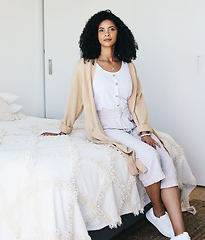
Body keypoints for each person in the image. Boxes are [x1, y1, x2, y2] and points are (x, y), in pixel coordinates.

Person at [42, 9, 190, 240]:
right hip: (106, 127)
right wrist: (64, 130)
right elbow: (75, 98)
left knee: (165, 158)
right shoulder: (86, 65)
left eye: (111, 29)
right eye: (101, 30)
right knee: (149, 157)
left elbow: (138, 100)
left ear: (119, 34)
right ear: (95, 35)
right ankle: (158, 213)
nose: (107, 33)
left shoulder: (127, 65)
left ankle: (181, 234)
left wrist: (144, 131)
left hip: (130, 123)